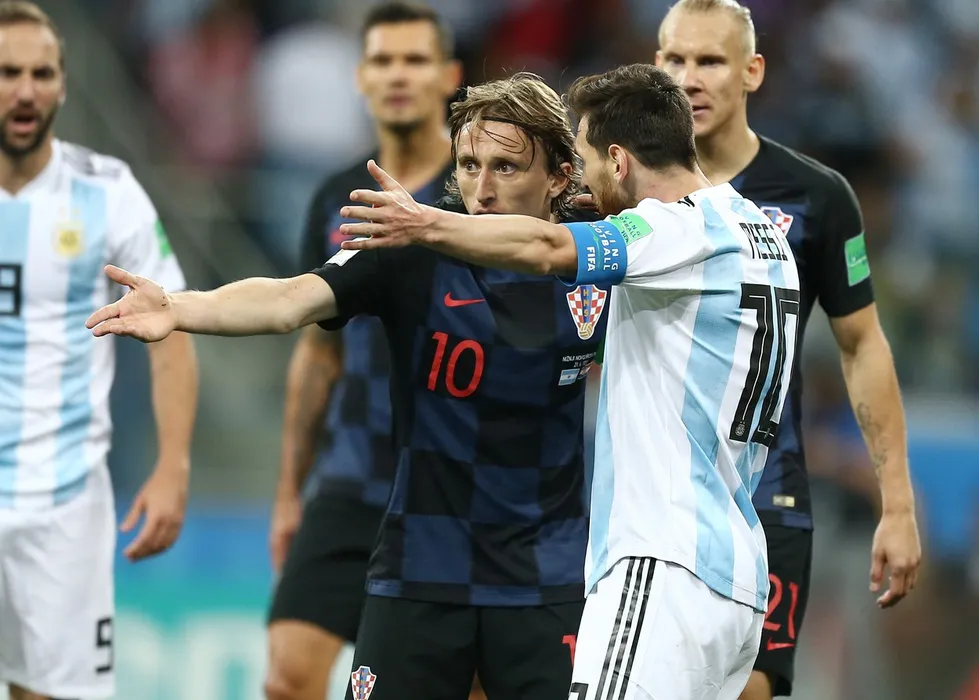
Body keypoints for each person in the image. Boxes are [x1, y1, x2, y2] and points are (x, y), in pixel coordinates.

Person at [87, 72, 604, 700]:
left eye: (507, 167)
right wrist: (179, 306)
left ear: (558, 178)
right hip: (420, 571)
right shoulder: (407, 248)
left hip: (546, 579)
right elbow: (289, 299)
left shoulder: (600, 262)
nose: (483, 188)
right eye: (470, 165)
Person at [332, 62, 801, 700]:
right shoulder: (762, 234)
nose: (584, 184)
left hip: (663, 560)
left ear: (619, 160)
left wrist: (424, 223)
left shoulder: (669, 232)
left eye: (587, 163)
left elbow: (552, 250)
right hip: (737, 572)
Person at [654, 1, 922, 697]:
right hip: (650, 505)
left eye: (709, 61)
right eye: (675, 59)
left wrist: (896, 506)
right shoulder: (618, 189)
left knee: (752, 688)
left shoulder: (815, 196)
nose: (689, 78)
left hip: (764, 493)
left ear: (752, 71)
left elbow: (862, 346)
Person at [0, 3, 198, 700]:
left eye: (42, 73)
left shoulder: (107, 191)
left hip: (64, 502)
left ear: (63, 82)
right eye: (8, 73)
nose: (26, 90)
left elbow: (171, 325)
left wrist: (172, 466)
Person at [263, 5, 461, 700]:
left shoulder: (477, 195)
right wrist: (289, 493)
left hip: (448, 489)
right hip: (349, 483)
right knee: (287, 677)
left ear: (449, 76)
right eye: (383, 60)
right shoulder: (335, 200)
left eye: (415, 60)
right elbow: (318, 357)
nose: (398, 75)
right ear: (361, 77)